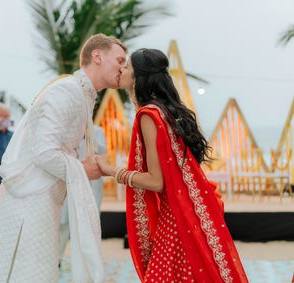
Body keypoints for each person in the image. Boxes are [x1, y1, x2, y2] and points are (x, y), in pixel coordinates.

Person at [0, 34, 127, 283]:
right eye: (119, 60)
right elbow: (44, 152)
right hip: (29, 204)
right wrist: (83, 169)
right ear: (97, 56)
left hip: (43, 200)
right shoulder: (68, 91)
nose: (122, 67)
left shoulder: (81, 94)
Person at [96, 48, 248, 283]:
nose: (120, 69)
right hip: (189, 214)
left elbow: (157, 182)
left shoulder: (148, 116)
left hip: (176, 223)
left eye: (126, 67)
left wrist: (112, 171)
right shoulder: (165, 112)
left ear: (138, 78)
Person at [59, 124, 107, 261]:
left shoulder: (97, 130)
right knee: (64, 221)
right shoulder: (69, 129)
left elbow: (103, 150)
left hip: (91, 182)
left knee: (90, 221)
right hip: (71, 180)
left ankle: (91, 259)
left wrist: (89, 136)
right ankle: (58, 258)